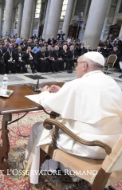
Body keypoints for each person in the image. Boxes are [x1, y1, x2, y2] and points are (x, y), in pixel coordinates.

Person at [25, 52, 122, 184]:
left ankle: (35, 171)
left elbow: (48, 103)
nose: (76, 67)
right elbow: (93, 102)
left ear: (85, 65)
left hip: (88, 146)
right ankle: (55, 167)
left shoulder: (78, 84)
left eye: (77, 64)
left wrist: (44, 93)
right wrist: (64, 92)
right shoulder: (112, 83)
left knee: (39, 127)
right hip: (112, 147)